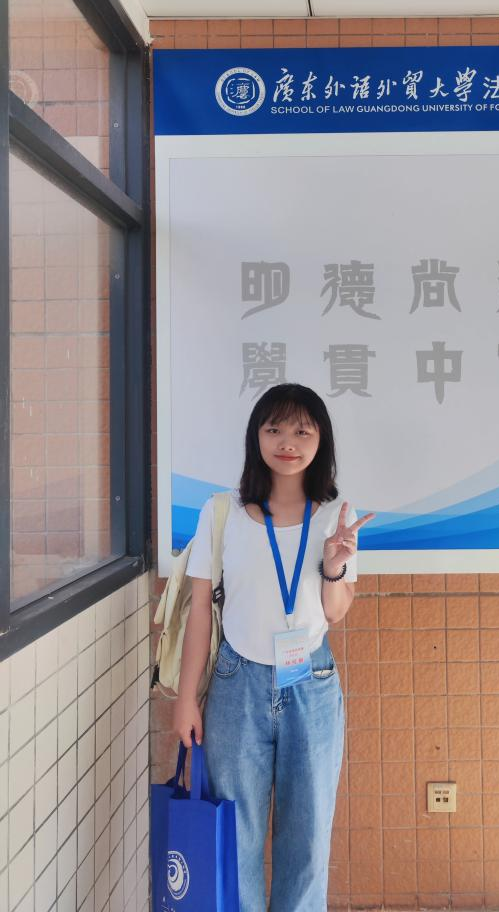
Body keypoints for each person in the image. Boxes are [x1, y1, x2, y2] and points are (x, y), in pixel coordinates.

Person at [173, 383, 374, 912]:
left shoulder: (335, 516)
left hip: (311, 683)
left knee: (307, 840)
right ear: (256, 437)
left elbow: (335, 611)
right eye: (275, 428)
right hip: (237, 684)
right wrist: (187, 698)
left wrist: (335, 565)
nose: (288, 442)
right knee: (235, 836)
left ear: (320, 440)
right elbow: (200, 611)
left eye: (303, 431)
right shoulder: (222, 512)